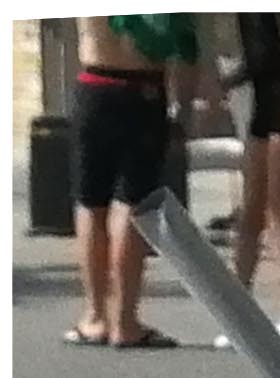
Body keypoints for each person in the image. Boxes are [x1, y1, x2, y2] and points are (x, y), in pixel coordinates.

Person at [66, 14, 205, 349]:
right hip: (142, 88)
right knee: (132, 199)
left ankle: (95, 315)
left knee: (91, 200)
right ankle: (125, 321)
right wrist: (182, 110)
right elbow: (182, 40)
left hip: (94, 80)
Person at [215, 11, 280, 348]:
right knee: (250, 210)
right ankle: (238, 311)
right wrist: (228, 80)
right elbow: (257, 57)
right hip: (263, 103)